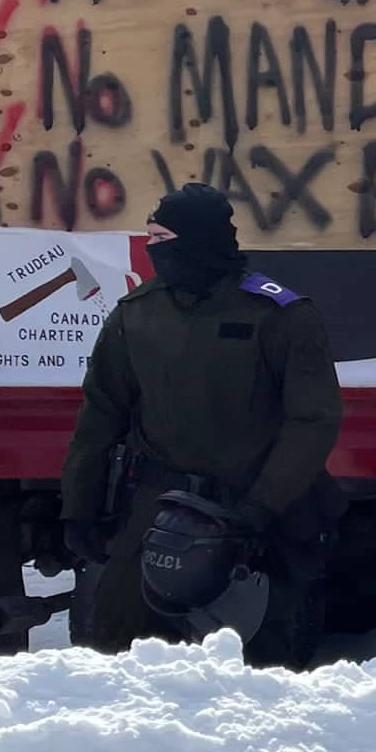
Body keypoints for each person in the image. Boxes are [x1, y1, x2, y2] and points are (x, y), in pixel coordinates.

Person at [61, 185, 344, 668]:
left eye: (163, 235)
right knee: (118, 642)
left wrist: (260, 506)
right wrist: (78, 508)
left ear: (199, 239)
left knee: (264, 661)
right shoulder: (139, 313)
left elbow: (313, 421)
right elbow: (100, 415)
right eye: (150, 236)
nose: (153, 247)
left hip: (258, 513)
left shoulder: (279, 315)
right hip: (161, 509)